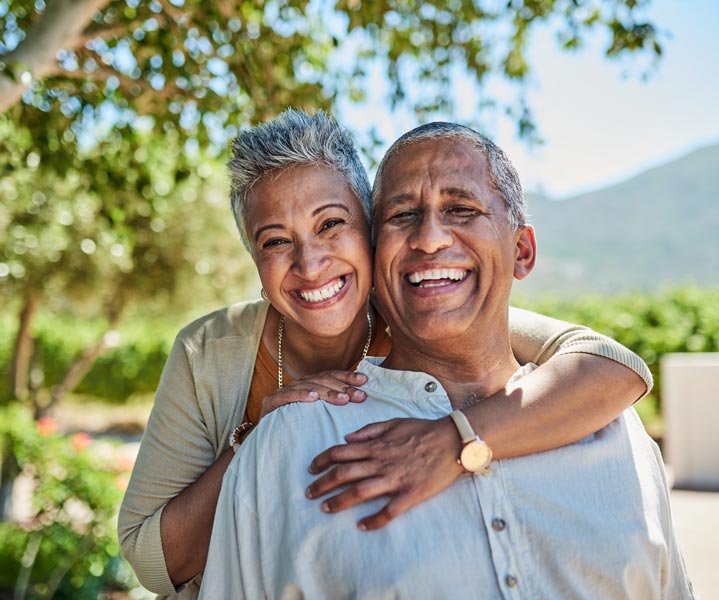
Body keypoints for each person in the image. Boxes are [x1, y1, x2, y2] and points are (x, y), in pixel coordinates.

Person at [118, 111, 653, 598]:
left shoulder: (424, 310)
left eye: (331, 224)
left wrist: (457, 441)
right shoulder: (212, 352)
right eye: (276, 242)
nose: (310, 263)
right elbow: (152, 560)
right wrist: (256, 434)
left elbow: (608, 364)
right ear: (257, 264)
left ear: (369, 233)